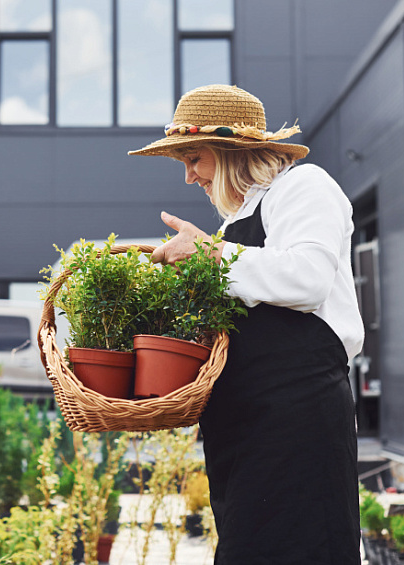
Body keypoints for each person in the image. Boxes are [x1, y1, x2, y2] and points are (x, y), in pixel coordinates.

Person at [129, 84, 364, 565]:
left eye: (195, 159)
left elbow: (308, 279)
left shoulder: (304, 187)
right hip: (239, 427)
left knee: (301, 547)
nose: (190, 177)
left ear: (232, 151)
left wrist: (209, 256)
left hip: (297, 415)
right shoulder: (230, 230)